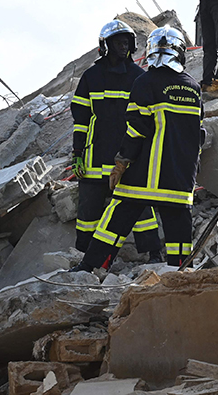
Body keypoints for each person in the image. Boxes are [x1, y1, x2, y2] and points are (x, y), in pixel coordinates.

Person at [70, 27, 204, 272]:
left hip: (141, 178)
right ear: (181, 52)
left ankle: (87, 267)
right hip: (178, 181)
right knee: (180, 237)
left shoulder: (144, 82)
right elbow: (199, 136)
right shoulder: (193, 88)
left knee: (113, 223)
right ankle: (182, 276)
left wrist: (121, 162)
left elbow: (135, 130)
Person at [70, 21, 162, 261]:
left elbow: (148, 121)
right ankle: (84, 256)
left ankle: (154, 253)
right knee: (88, 210)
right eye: (118, 42)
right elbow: (80, 120)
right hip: (94, 157)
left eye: (126, 43)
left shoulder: (140, 78)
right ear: (106, 45)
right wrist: (77, 154)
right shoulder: (90, 77)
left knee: (140, 207)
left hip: (128, 156)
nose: (123, 47)